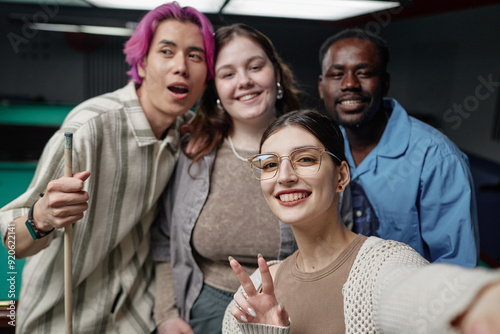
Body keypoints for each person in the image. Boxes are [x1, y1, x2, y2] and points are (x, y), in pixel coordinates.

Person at [0, 2, 214, 332]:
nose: (181, 67)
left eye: (195, 56)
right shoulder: (88, 128)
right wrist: (40, 217)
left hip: (133, 320)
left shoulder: (186, 134)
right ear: (141, 64)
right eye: (167, 51)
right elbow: (11, 240)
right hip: (60, 320)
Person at [222, 109, 500, 334]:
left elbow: (415, 292)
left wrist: (478, 299)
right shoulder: (254, 289)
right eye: (270, 164)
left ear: (341, 176)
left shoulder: (386, 264)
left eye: (305, 159)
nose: (284, 176)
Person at [151, 23, 301, 334]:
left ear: (276, 73)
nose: (244, 81)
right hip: (203, 312)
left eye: (255, 67)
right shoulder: (193, 152)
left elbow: (337, 243)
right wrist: (166, 313)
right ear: (215, 88)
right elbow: (164, 241)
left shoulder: (312, 149)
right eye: (227, 74)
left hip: (293, 309)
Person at [317, 28, 479, 267]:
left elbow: (456, 271)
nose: (350, 84)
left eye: (364, 73)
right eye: (337, 74)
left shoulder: (436, 157)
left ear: (385, 83)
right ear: (322, 87)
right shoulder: (320, 151)